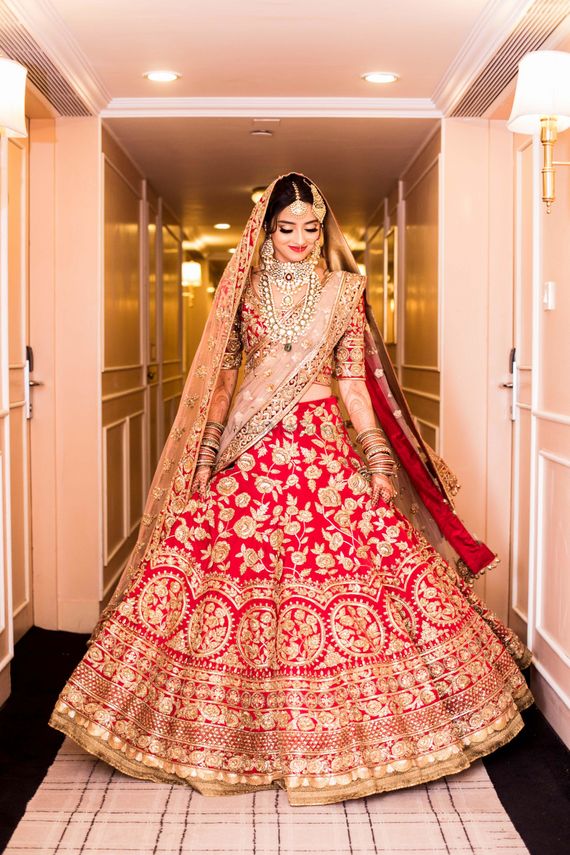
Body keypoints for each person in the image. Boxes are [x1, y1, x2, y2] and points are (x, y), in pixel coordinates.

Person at [50, 172, 533, 805]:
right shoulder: (242, 293)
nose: (300, 239)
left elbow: (353, 381)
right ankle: (223, 733)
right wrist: (205, 453)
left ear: (323, 228)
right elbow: (223, 382)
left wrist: (378, 454)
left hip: (325, 448)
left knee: (363, 573)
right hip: (250, 452)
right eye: (286, 228)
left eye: (310, 227)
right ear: (265, 230)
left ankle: (368, 732)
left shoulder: (344, 291)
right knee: (217, 578)